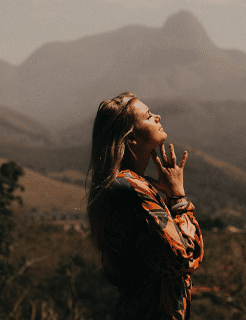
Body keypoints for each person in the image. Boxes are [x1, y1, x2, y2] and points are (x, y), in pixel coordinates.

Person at [86, 92, 204, 320]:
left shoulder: (131, 187)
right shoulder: (129, 189)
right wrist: (178, 198)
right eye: (149, 116)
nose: (158, 117)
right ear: (130, 138)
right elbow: (185, 256)